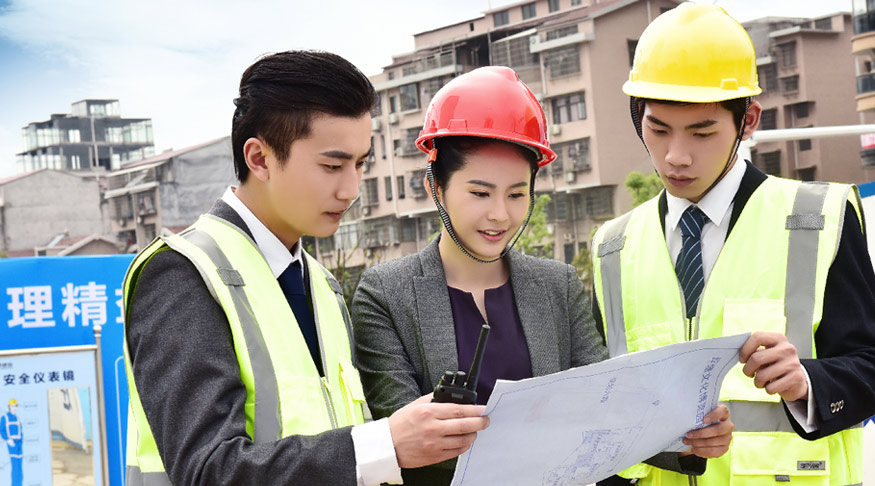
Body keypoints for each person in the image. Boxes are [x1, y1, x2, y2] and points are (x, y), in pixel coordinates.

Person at [351, 66, 734, 485]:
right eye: (480, 193)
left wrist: (683, 437)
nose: (500, 214)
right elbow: (406, 440)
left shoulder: (557, 285)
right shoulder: (385, 294)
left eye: (517, 194)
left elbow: (606, 405)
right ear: (435, 187)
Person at [122, 50, 488, 486]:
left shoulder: (322, 286)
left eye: (360, 164)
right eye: (332, 165)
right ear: (259, 159)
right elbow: (208, 470)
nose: (351, 189)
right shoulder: (184, 274)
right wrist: (384, 443)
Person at [591, 4, 875, 486]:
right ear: (637, 117)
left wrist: (807, 383)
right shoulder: (612, 248)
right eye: (658, 129)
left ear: (748, 119)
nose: (676, 156)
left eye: (702, 131)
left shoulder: (818, 220)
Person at [2, 399, 21, 486]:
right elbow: (2, 430)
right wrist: (8, 439)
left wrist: (21, 443)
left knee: (19, 467)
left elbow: (21, 431)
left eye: (15, 406)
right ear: (9, 407)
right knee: (15, 467)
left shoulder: (17, 418)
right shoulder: (5, 417)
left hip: (19, 444)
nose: (14, 408)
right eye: (12, 406)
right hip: (12, 444)